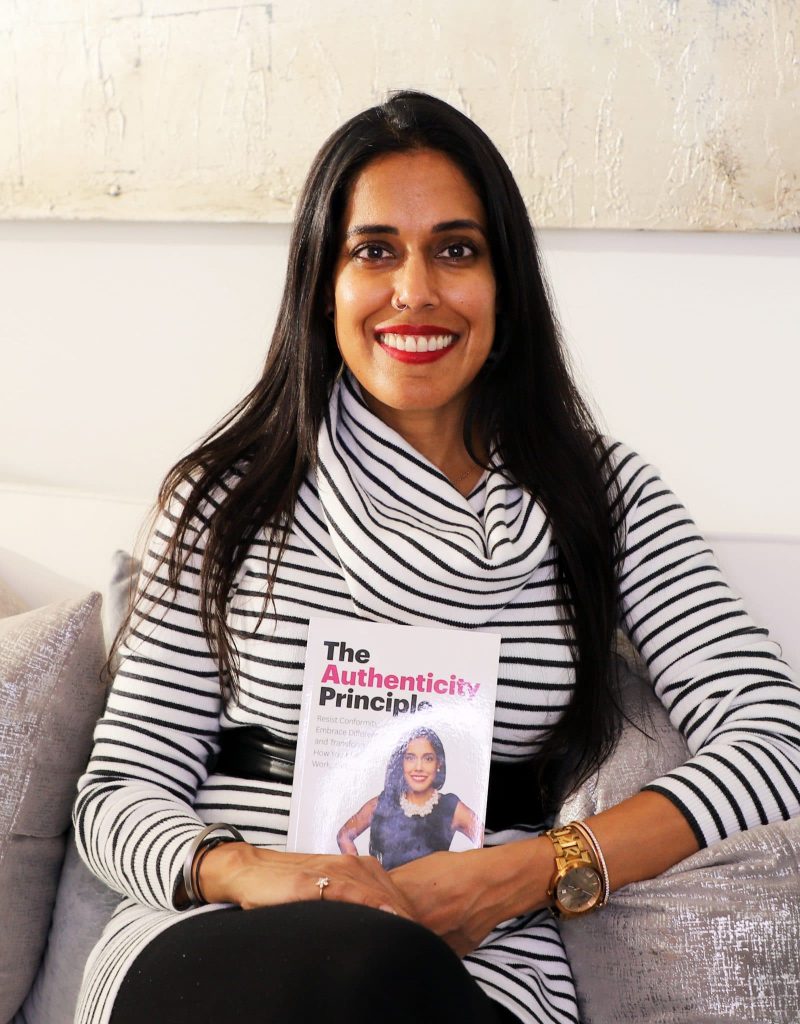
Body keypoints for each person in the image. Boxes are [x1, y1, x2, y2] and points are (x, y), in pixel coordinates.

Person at [73, 91, 800, 1024]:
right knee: (346, 976)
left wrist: (538, 869)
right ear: (322, 283)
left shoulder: (601, 498)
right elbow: (118, 791)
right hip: (221, 938)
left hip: (472, 958)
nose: (414, 289)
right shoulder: (224, 498)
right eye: (374, 250)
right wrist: (257, 875)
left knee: (383, 982)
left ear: (505, 283)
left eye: (456, 249)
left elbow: (774, 737)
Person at [337, 727, 482, 868]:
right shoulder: (382, 803)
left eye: (428, 759)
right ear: (401, 762)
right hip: (383, 892)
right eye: (410, 758)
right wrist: (360, 874)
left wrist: (462, 878)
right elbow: (344, 836)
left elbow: (485, 842)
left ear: (439, 764)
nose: (418, 767)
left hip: (430, 892)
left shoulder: (451, 808)